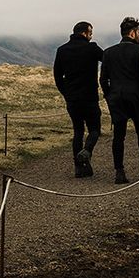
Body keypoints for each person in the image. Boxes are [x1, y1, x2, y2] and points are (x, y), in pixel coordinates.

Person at [100, 16, 139, 184]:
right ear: (132, 33)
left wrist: (109, 95)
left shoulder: (108, 52)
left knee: (119, 136)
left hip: (117, 98)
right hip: (136, 97)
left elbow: (103, 79)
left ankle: (119, 172)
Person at [53, 21, 104, 177]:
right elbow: (107, 60)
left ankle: (79, 168)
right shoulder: (92, 48)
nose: (91, 35)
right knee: (94, 129)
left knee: (78, 131)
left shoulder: (62, 50)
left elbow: (57, 75)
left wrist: (66, 93)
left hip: (72, 99)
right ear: (85, 33)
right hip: (89, 97)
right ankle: (87, 151)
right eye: (90, 32)